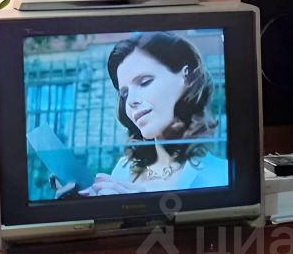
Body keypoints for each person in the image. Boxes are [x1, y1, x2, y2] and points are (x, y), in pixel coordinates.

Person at [54, 32, 228, 197]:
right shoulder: (122, 171)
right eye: (124, 93)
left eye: (145, 82)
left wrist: (147, 207)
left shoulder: (223, 176)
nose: (131, 101)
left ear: (187, 77)